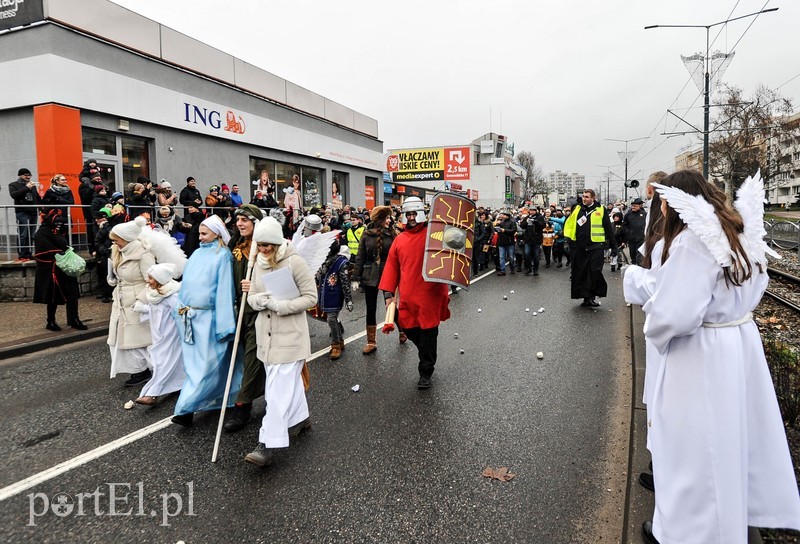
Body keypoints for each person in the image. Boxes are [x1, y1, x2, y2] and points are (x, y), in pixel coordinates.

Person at [624, 170, 800, 544]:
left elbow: (677, 313)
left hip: (700, 354)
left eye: (667, 202)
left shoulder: (692, 240)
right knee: (730, 436)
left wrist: (653, 323)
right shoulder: (737, 233)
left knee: (695, 448)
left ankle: (690, 532)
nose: (664, 208)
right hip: (737, 345)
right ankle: (735, 520)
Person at [241, 216, 317, 466]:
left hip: (291, 338)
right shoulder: (257, 263)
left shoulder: (295, 262)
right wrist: (257, 301)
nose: (263, 250)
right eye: (259, 245)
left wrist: (280, 305)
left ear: (276, 242)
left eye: (267, 245)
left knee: (275, 393)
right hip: (267, 338)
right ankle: (300, 419)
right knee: (286, 387)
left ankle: (267, 443)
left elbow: (310, 297)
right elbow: (251, 297)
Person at [171, 215, 240, 427]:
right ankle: (210, 403)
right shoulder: (196, 254)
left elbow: (224, 292)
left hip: (211, 320)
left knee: (208, 365)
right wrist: (179, 310)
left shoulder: (223, 256)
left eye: (204, 233)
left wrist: (225, 324)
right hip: (190, 319)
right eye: (199, 233)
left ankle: (185, 408)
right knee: (194, 366)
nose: (199, 237)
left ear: (217, 233)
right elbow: (186, 285)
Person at [378, 196, 451, 389]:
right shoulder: (399, 240)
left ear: (421, 213)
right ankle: (426, 353)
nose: (411, 217)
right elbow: (392, 266)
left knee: (428, 332)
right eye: (407, 214)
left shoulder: (433, 235)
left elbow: (452, 251)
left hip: (431, 294)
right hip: (409, 295)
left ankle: (425, 371)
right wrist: (388, 294)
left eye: (413, 213)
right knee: (407, 327)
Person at [223, 204, 266, 433]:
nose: (239, 224)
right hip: (238, 311)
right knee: (242, 359)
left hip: (258, 313)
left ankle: (243, 406)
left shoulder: (264, 249)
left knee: (252, 359)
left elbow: (278, 279)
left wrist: (256, 286)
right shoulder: (234, 246)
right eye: (237, 220)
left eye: (245, 220)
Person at [107, 217, 155, 386]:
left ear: (126, 239)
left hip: (137, 304)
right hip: (121, 302)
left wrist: (141, 300)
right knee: (126, 340)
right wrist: (113, 279)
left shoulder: (144, 255)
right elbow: (120, 276)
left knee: (143, 340)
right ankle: (139, 370)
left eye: (116, 240)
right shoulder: (118, 252)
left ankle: (155, 371)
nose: (114, 243)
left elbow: (152, 281)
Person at [131, 263, 184, 406]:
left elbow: (181, 312)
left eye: (151, 278)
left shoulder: (171, 296)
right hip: (159, 336)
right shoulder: (154, 294)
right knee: (168, 363)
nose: (148, 281)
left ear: (160, 280)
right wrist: (143, 309)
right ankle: (179, 384)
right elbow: (155, 310)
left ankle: (152, 394)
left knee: (163, 364)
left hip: (171, 337)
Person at [32, 210, 87, 331]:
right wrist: (57, 253)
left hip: (64, 269)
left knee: (72, 294)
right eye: (57, 222)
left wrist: (66, 252)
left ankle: (74, 319)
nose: (59, 224)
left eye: (61, 222)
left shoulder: (59, 232)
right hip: (50, 270)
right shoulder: (42, 233)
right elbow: (42, 251)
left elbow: (64, 245)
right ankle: (50, 321)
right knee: (53, 297)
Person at [352, 206, 396, 354]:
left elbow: (398, 256)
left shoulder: (393, 234)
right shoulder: (366, 235)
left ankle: (403, 331)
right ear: (380, 219)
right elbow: (360, 257)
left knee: (391, 305)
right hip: (370, 274)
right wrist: (356, 277)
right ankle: (371, 341)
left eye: (390, 218)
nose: (389, 220)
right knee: (370, 309)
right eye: (387, 218)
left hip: (388, 273)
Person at [563, 188, 617, 307]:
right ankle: (586, 298)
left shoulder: (601, 210)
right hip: (580, 247)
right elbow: (569, 225)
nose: (584, 199)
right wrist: (567, 241)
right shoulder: (577, 209)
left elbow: (608, 228)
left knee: (594, 271)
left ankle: (593, 295)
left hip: (596, 246)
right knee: (582, 273)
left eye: (587, 197)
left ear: (593, 198)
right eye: (583, 196)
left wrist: (614, 247)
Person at [317, 238, 353, 360]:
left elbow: (344, 281)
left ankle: (336, 344)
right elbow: (320, 277)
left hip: (335, 294)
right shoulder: (324, 261)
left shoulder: (341, 262)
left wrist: (348, 299)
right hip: (325, 294)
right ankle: (340, 341)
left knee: (331, 319)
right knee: (333, 318)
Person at [9, 167, 39, 261]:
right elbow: (14, 195)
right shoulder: (13, 185)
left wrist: (41, 208)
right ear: (20, 175)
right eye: (26, 175)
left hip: (33, 212)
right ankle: (22, 254)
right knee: (23, 234)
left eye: (29, 175)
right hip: (22, 212)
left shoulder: (32, 186)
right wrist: (27, 188)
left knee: (31, 234)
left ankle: (29, 253)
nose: (28, 177)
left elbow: (36, 198)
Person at [520, 206, 545, 276]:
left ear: (536, 211)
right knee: (527, 254)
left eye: (533, 210)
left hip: (536, 239)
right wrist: (526, 222)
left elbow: (543, 225)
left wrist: (536, 222)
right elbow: (522, 226)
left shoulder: (540, 217)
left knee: (536, 255)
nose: (532, 212)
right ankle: (528, 268)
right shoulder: (527, 217)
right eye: (531, 210)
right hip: (528, 239)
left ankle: (535, 269)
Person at [622, 197, 647, 266]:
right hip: (632, 238)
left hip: (641, 239)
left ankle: (639, 266)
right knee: (632, 254)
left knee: (640, 256)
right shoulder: (628, 215)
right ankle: (633, 264)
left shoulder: (644, 214)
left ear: (640, 206)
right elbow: (624, 225)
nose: (633, 207)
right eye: (632, 206)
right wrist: (628, 232)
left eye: (635, 206)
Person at [494, 210, 517, 276]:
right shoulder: (501, 222)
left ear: (507, 216)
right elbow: (496, 229)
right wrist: (497, 226)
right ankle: (502, 270)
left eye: (504, 215)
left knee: (511, 257)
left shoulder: (512, 222)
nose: (503, 216)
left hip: (509, 242)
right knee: (501, 257)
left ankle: (512, 268)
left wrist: (505, 230)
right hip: (501, 242)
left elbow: (513, 230)